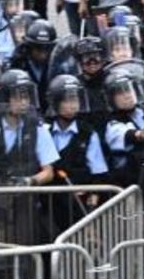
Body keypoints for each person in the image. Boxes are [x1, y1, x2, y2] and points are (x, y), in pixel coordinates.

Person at [45, 74, 109, 228]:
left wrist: (94, 195)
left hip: (78, 201)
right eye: (67, 100)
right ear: (56, 102)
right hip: (48, 201)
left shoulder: (87, 133)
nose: (72, 105)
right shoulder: (44, 131)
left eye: (75, 100)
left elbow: (98, 170)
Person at [0, 68, 57, 185]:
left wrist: (29, 181)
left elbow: (48, 172)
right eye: (18, 97)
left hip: (24, 198)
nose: (24, 102)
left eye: (26, 97)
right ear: (4, 98)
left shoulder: (38, 128)